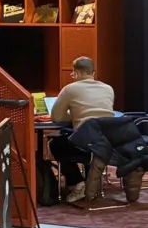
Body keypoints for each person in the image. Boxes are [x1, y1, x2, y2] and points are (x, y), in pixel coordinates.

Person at [46, 56, 117, 203]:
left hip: (85, 143)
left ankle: (77, 183)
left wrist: (74, 114)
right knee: (82, 140)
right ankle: (90, 182)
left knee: (56, 144)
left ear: (76, 73)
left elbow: (57, 117)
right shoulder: (108, 88)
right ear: (93, 72)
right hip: (108, 143)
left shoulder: (70, 89)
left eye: (73, 74)